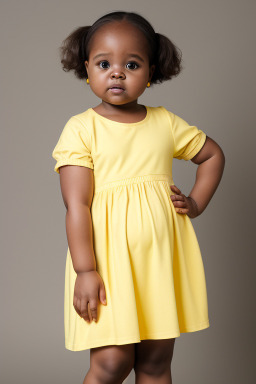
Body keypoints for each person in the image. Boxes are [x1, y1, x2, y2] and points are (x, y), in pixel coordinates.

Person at [52, 10, 225, 384]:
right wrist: (85, 270)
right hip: (108, 265)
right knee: (111, 364)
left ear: (150, 73)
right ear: (87, 68)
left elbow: (212, 155)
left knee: (155, 363)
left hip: (159, 263)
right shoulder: (82, 129)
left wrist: (195, 203)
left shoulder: (164, 122)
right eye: (104, 63)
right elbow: (77, 205)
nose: (117, 72)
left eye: (131, 64)